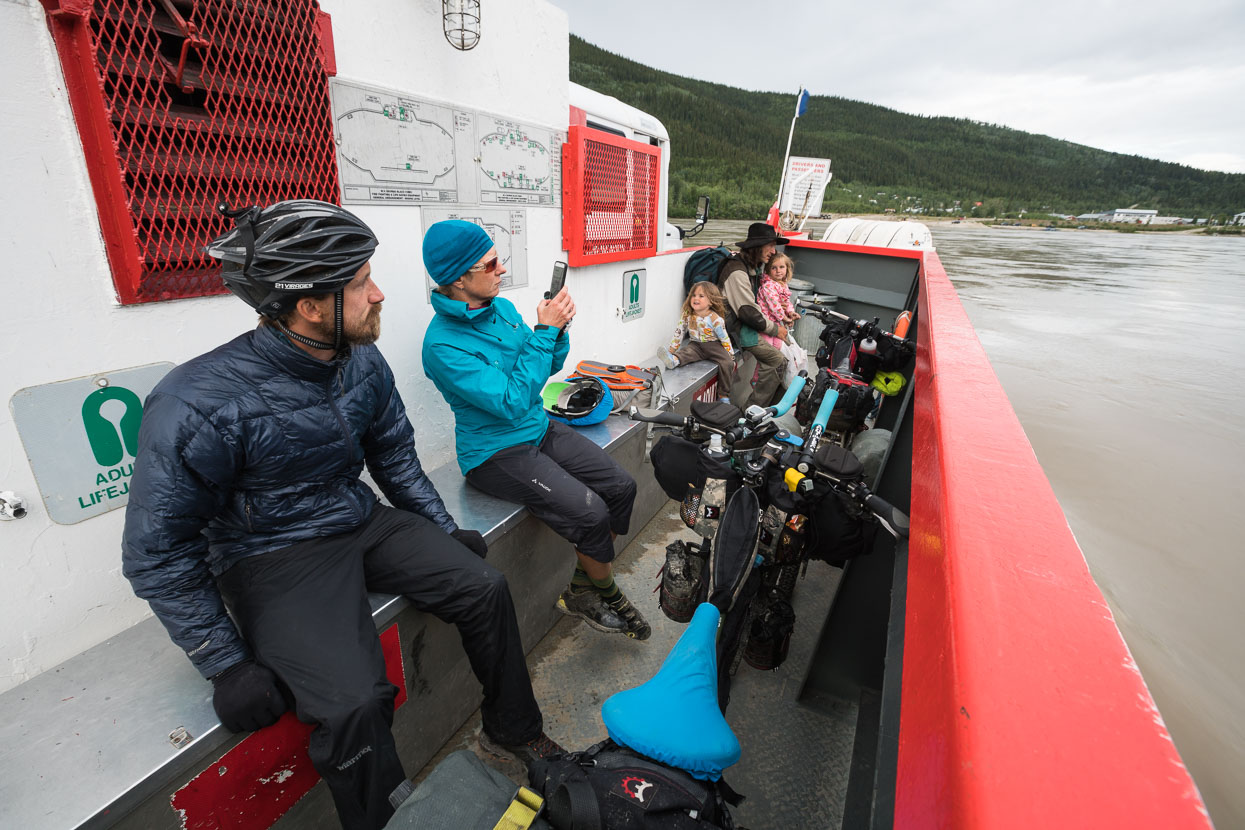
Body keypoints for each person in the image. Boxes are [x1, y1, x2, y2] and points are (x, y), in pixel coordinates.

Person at [121, 201, 561, 830]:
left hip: (356, 518)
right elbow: (156, 551)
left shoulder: (359, 359)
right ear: (309, 305)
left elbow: (394, 457)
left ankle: (513, 730)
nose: (378, 293)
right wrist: (223, 662)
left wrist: (439, 529)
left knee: (483, 586)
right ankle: (383, 818)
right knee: (355, 704)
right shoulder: (198, 403)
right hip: (270, 553)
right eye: (359, 283)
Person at [420, 219, 651, 641]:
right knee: (591, 512)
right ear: (458, 278)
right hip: (495, 453)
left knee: (620, 487)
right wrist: (543, 333)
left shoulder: (503, 311)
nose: (501, 269)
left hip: (537, 428)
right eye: (491, 264)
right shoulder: (441, 346)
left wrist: (557, 331)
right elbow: (509, 402)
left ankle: (583, 585)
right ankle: (606, 592)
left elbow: (544, 367)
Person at [717, 222, 790, 407]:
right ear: (757, 247)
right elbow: (747, 312)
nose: (773, 252)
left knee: (787, 361)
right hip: (736, 329)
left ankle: (767, 411)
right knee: (778, 361)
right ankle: (749, 415)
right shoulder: (736, 271)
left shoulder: (752, 268)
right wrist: (775, 329)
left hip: (746, 325)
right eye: (771, 246)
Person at [658, 281, 737, 403]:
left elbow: (724, 338)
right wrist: (671, 350)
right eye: (693, 295)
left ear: (711, 301)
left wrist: (730, 355)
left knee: (727, 364)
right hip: (695, 345)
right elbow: (679, 332)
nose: (696, 298)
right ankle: (673, 360)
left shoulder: (715, 319)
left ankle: (723, 395)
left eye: (701, 296)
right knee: (686, 352)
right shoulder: (687, 315)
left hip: (714, 346)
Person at [756, 253, 800, 350]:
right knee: (768, 350)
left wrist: (790, 313)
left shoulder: (782, 285)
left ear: (787, 268)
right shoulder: (768, 286)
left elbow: (786, 302)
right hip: (767, 323)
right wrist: (784, 318)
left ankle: (775, 365)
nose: (778, 271)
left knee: (777, 346)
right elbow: (774, 306)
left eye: (781, 267)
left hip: (777, 323)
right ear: (768, 270)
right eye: (774, 268)